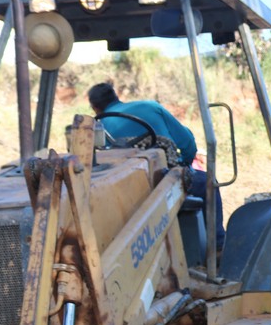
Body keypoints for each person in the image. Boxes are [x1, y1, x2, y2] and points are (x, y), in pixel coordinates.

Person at [88, 81, 223, 249]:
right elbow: (187, 143)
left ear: (95, 108)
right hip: (166, 179)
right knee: (206, 182)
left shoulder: (96, 128)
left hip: (126, 191)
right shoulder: (150, 107)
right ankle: (217, 244)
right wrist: (185, 165)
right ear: (116, 97)